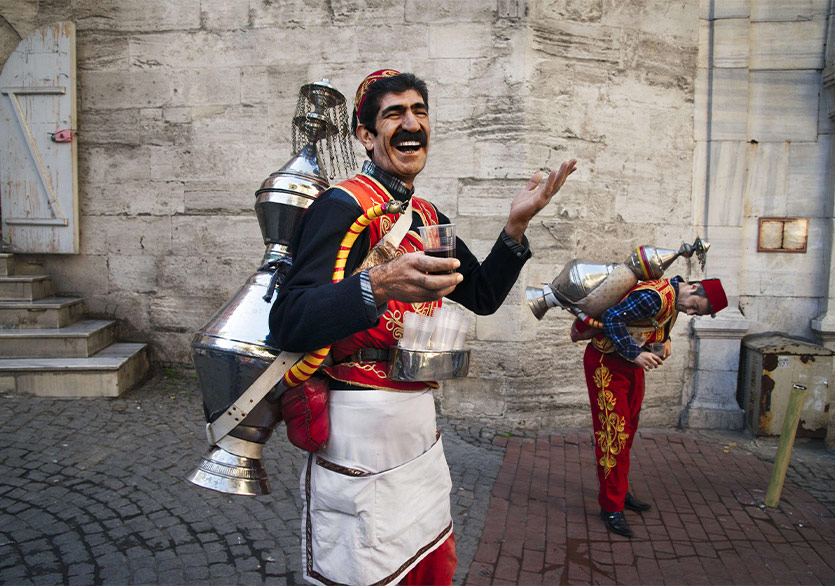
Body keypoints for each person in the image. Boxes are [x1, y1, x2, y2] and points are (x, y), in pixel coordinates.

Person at [269, 69, 576, 585]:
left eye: (420, 111)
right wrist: (379, 285)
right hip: (357, 431)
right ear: (366, 136)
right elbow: (289, 320)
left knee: (428, 563)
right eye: (393, 114)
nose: (411, 123)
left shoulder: (427, 214)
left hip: (418, 427)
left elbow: (480, 296)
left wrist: (516, 226)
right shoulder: (341, 207)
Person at [570, 276, 728, 537]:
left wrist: (665, 341)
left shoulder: (673, 298)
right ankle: (611, 506)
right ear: (695, 287)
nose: (689, 312)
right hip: (606, 363)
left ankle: (618, 490)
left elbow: (650, 325)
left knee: (628, 430)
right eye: (694, 307)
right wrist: (636, 353)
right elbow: (611, 318)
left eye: (694, 312)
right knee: (614, 436)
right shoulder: (655, 297)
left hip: (629, 367)